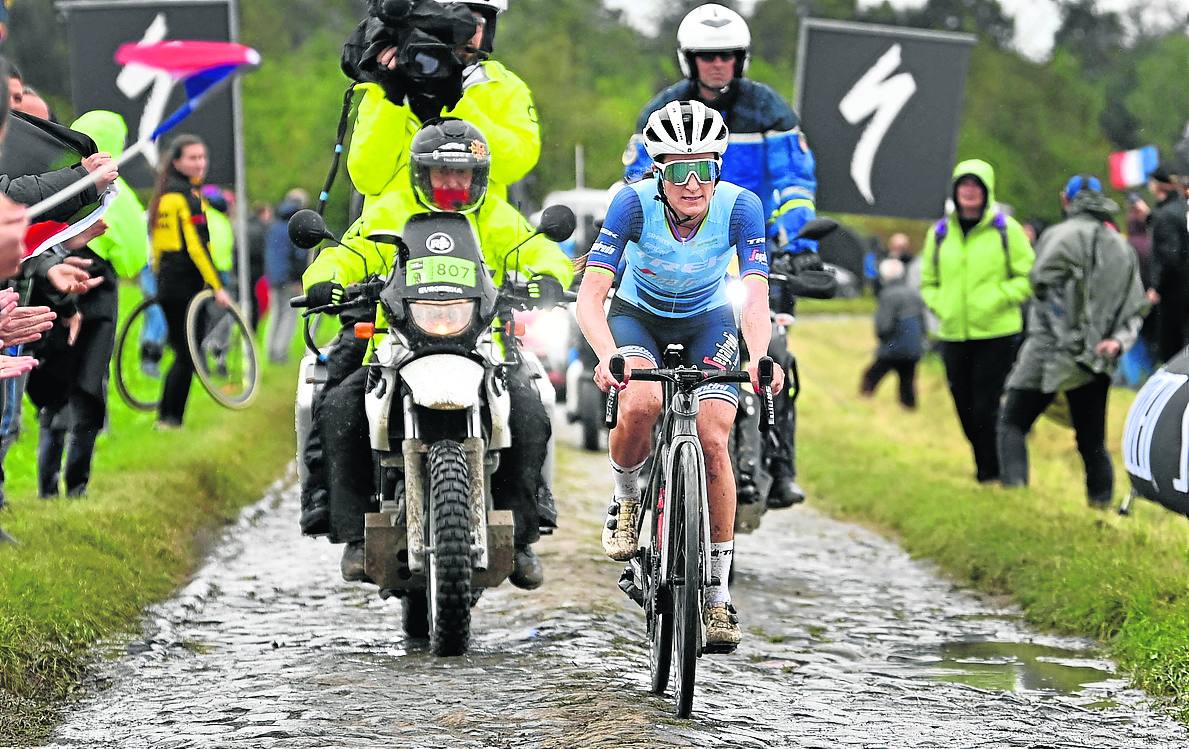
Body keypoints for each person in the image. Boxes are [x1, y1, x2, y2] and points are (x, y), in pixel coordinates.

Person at [305, 118, 573, 589]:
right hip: (396, 342)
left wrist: (550, 277)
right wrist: (325, 280)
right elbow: (344, 253)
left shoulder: (496, 215)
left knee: (529, 411)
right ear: (420, 173)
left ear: (478, 177)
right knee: (341, 408)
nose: (452, 182)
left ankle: (522, 536)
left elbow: (542, 251)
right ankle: (354, 535)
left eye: (462, 173)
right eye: (441, 172)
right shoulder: (391, 210)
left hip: (482, 342)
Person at [577, 101, 784, 651]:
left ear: (718, 168)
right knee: (641, 404)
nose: (692, 184)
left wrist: (759, 355)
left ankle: (716, 596)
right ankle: (626, 500)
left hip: (708, 319)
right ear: (658, 172)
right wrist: (607, 354)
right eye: (679, 170)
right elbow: (592, 295)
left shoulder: (741, 207)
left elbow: (755, 294)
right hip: (637, 316)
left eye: (703, 169)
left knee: (714, 438)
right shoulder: (632, 204)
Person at [624, 3, 820, 508]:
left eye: (727, 56)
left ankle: (781, 463)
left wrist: (798, 246)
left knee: (776, 353)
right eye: (707, 56)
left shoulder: (770, 111)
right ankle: (647, 458)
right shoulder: (662, 111)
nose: (718, 64)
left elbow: (795, 185)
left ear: (741, 59)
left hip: (754, 252)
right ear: (689, 60)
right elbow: (637, 182)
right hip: (686, 255)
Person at [998, 175, 1146, 507]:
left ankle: (1014, 499)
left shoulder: (1057, 235)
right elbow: (1135, 309)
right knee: (1091, 441)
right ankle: (1100, 509)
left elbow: (1040, 288)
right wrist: (1117, 342)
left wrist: (1064, 336)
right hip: (1097, 357)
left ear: (1066, 200)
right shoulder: (1122, 247)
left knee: (1012, 422)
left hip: (1047, 352)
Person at [29, 110, 145, 498]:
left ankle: (47, 488)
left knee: (54, 390)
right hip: (99, 297)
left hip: (52, 288)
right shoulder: (119, 194)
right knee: (89, 390)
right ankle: (76, 486)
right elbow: (134, 257)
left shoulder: (56, 183)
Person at [348, 0, 539, 214]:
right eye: (452, 22)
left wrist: (455, 102)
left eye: (475, 23)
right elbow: (367, 178)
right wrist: (393, 98)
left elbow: (513, 166)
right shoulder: (386, 84)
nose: (465, 32)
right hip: (394, 230)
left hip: (477, 231)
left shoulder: (504, 87)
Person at [920, 159, 1034, 483]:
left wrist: (998, 298)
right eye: (963, 185)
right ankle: (986, 465)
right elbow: (928, 282)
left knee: (986, 407)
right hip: (954, 334)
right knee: (964, 407)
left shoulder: (1006, 230)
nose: (969, 191)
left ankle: (991, 473)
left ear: (987, 191)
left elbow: (1028, 276)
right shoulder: (940, 233)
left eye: (975, 185)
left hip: (997, 333)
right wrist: (942, 305)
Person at [148, 134, 231, 428]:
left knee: (183, 352)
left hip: (167, 283)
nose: (200, 163)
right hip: (185, 286)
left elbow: (157, 248)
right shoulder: (186, 198)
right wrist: (217, 286)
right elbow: (196, 247)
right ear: (177, 162)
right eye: (193, 158)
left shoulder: (164, 195)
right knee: (188, 354)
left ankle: (167, 417)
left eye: (202, 157)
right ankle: (170, 419)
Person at [1139, 166, 1189, 364]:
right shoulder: (1183, 209)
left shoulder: (1165, 215)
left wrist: (1157, 287)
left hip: (1174, 293)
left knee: (1172, 353)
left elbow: (1170, 255)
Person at [860, 258, 924, 408]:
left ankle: (863, 399)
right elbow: (923, 321)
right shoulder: (914, 293)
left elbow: (883, 326)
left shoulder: (887, 295)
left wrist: (882, 340)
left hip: (893, 348)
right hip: (913, 348)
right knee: (907, 380)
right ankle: (908, 407)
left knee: (871, 376)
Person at [264, 189, 308, 364]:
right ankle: (280, 352)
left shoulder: (274, 224)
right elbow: (298, 255)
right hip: (289, 279)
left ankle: (270, 350)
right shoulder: (296, 226)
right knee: (289, 315)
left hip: (273, 277)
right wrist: (298, 278)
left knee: (275, 313)